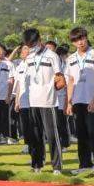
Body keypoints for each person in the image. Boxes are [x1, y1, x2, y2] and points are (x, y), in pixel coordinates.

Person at [65, 26, 94, 176]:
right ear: (73, 43)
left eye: (82, 38)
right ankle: (85, 164)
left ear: (86, 37)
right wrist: (69, 102)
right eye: (76, 40)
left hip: (92, 100)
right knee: (81, 134)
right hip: (77, 100)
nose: (80, 42)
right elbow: (70, 81)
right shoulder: (70, 59)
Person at [20, 29, 65, 174]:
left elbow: (59, 77)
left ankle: (57, 166)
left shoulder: (52, 56)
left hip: (48, 100)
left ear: (40, 40)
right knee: (35, 134)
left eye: (33, 43)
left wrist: (54, 87)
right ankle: (37, 164)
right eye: (29, 44)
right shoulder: (29, 56)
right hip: (32, 100)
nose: (31, 46)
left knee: (52, 135)